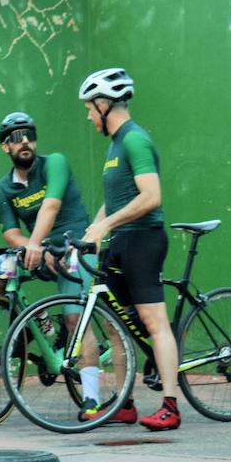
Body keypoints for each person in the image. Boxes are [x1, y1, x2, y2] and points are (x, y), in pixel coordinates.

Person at [0, 111, 129, 425]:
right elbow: (11, 234)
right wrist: (33, 247)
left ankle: (91, 400)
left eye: (29, 134)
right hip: (39, 250)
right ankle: (30, 327)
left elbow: (51, 206)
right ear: (5, 147)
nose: (24, 140)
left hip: (76, 247)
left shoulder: (54, 162)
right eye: (15, 137)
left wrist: (38, 245)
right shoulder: (3, 188)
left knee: (74, 320)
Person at [79, 68, 182, 432]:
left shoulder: (134, 140)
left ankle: (171, 405)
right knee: (115, 324)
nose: (89, 116)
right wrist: (93, 228)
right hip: (120, 239)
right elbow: (116, 199)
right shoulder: (114, 144)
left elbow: (151, 197)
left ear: (105, 104)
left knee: (154, 321)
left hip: (143, 239)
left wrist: (107, 225)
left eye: (91, 108)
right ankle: (125, 402)